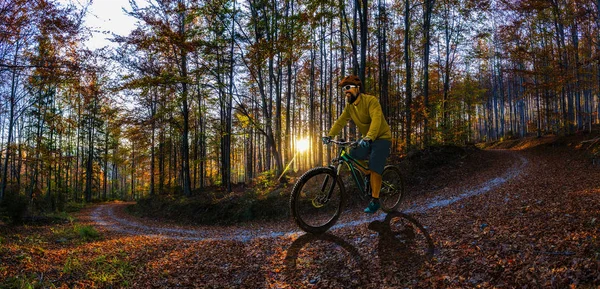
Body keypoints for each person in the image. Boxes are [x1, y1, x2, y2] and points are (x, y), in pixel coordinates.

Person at [322, 75, 392, 214]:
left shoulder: (371, 101)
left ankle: (375, 201)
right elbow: (341, 121)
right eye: (344, 90)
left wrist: (369, 137)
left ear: (357, 88)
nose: (346, 92)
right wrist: (329, 135)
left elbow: (376, 120)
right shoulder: (350, 107)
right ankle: (367, 174)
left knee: (375, 165)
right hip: (367, 138)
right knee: (352, 155)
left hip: (382, 138)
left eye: (348, 88)